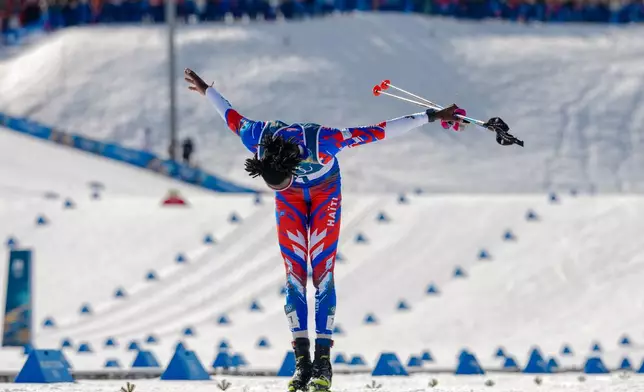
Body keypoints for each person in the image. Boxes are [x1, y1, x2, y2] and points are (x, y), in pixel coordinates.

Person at [184, 68, 509, 392]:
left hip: (325, 195)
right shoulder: (256, 136)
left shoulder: (324, 141)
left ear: (294, 166)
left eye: (283, 181)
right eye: (275, 185)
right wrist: (207, 90)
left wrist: (431, 115)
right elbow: (229, 114)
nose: (281, 185)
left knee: (322, 273)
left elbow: (379, 131)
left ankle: (323, 361)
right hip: (292, 204)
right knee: (294, 275)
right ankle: (302, 363)